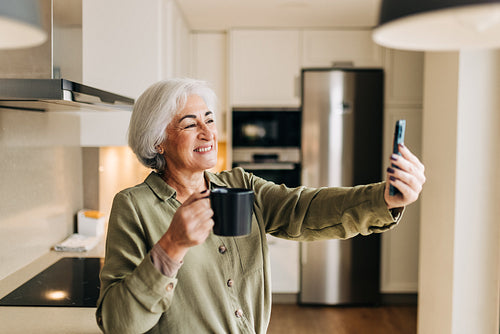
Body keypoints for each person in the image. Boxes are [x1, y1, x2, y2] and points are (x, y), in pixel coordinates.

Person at [96, 78, 425, 334]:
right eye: (189, 124)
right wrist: (171, 246)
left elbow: (304, 209)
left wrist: (384, 198)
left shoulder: (240, 185)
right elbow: (117, 323)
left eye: (209, 120)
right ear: (158, 141)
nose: (207, 132)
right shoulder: (133, 207)